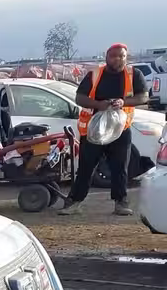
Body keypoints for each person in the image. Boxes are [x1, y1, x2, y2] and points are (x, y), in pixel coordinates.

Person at [59, 43, 148, 216]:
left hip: (120, 129)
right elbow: (80, 97)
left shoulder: (133, 74)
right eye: (114, 56)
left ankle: (121, 202)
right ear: (106, 57)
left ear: (126, 57)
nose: (118, 59)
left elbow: (143, 96)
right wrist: (98, 105)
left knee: (120, 167)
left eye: (121, 56)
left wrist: (124, 102)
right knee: (86, 167)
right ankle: (74, 201)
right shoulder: (95, 74)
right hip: (94, 130)